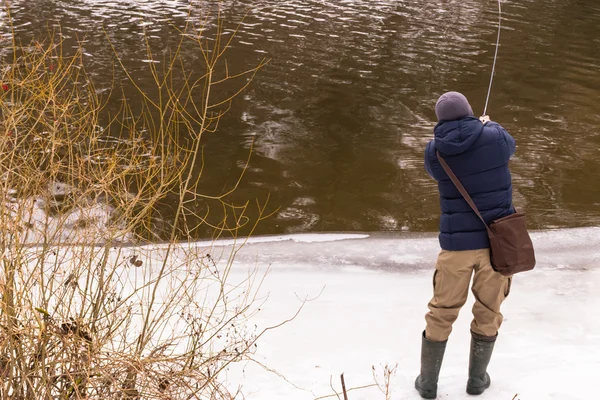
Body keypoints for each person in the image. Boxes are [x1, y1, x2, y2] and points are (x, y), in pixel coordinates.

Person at [415, 92, 516, 399]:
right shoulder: (495, 136)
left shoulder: (435, 151)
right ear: (470, 112)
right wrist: (488, 124)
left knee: (442, 311)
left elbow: (434, 174)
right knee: (488, 310)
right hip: (496, 244)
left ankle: (428, 383)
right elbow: (508, 146)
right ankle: (476, 380)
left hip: (456, 246)